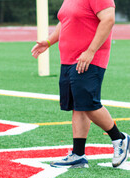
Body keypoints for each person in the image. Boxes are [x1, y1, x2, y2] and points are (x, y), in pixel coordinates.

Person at [31, 0, 129, 168]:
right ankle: (78, 154)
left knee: (89, 104)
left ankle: (119, 138)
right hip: (69, 60)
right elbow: (65, 22)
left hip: (89, 58)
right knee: (78, 105)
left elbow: (108, 19)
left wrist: (90, 51)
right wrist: (48, 42)